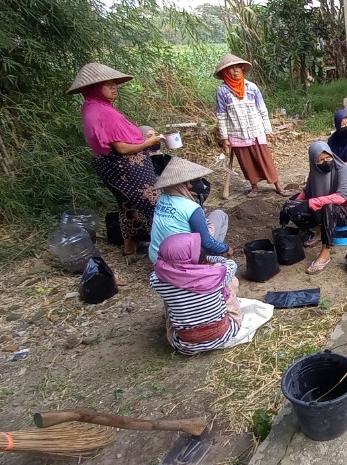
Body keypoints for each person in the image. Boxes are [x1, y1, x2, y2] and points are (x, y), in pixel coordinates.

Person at [67, 62, 165, 255]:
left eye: (114, 83)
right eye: (107, 84)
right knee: (156, 204)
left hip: (108, 166)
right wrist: (149, 143)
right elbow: (121, 148)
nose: (114, 87)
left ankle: (130, 246)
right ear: (94, 88)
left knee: (127, 204)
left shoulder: (91, 107)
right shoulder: (104, 112)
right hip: (125, 167)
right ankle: (168, 247)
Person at [149, 233, 242, 355]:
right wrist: (211, 260)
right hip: (224, 334)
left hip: (184, 345)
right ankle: (231, 312)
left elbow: (158, 273)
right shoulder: (215, 275)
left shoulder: (156, 281)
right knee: (230, 281)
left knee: (169, 300)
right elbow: (230, 264)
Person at [213, 53, 290, 198]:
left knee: (265, 159)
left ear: (242, 70)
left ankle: (278, 186)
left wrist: (268, 130)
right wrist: (224, 138)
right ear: (225, 72)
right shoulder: (222, 91)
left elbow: (262, 109)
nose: (235, 71)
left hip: (256, 130)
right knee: (246, 162)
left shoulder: (251, 87)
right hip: (236, 132)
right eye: (231, 69)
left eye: (238, 68)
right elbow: (221, 116)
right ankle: (254, 187)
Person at [281, 141, 347, 274]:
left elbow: (340, 198)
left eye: (328, 158)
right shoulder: (315, 173)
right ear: (314, 162)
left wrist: (309, 203)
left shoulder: (343, 170)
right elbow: (306, 193)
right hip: (324, 208)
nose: (326, 162)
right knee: (291, 205)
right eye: (321, 160)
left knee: (328, 207)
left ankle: (325, 253)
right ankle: (319, 232)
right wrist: (289, 208)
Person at [149, 157, 232, 263]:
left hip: (157, 259)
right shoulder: (191, 208)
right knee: (219, 215)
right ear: (185, 185)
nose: (196, 184)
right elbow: (207, 243)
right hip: (182, 261)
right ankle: (208, 259)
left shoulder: (162, 199)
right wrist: (226, 248)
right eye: (194, 181)